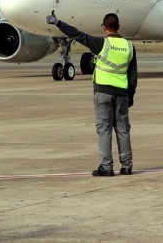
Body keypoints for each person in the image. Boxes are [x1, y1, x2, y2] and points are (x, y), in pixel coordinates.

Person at [46, 10, 137, 177]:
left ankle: (107, 167)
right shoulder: (129, 46)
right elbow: (133, 75)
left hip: (103, 93)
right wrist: (130, 96)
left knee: (104, 130)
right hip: (122, 94)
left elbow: (77, 35)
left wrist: (58, 23)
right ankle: (127, 166)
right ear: (118, 27)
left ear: (104, 28)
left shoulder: (101, 44)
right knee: (123, 130)